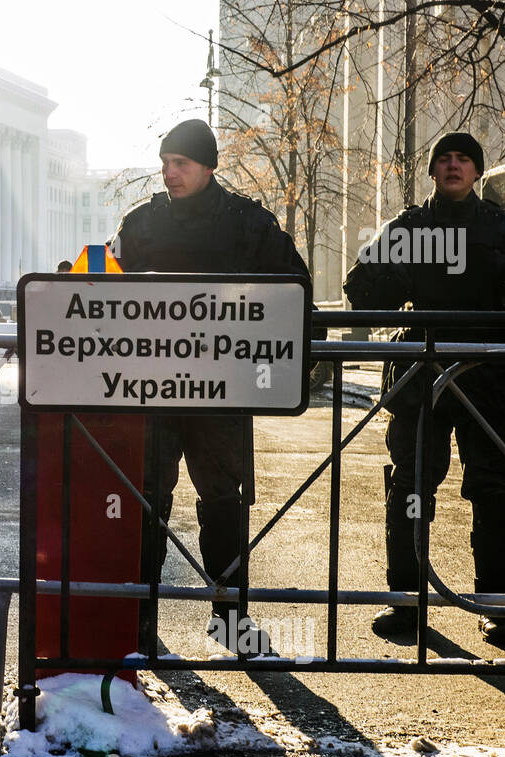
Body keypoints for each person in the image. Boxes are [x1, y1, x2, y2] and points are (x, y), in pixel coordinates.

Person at [343, 132, 505, 646]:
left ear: (478, 170)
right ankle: (406, 605)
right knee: (411, 488)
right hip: (423, 376)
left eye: (463, 158)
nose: (452, 166)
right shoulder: (411, 228)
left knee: (492, 490)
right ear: (432, 170)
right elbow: (363, 289)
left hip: (489, 378)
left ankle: (495, 607)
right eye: (443, 158)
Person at [112, 119, 311, 655]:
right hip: (153, 392)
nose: (169, 173)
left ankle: (229, 619)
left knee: (223, 502)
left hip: (222, 395)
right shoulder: (142, 224)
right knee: (147, 500)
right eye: (165, 163)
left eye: (181, 163)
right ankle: (139, 619)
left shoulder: (248, 224)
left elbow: (294, 289)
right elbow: (107, 296)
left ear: (208, 166)